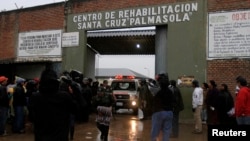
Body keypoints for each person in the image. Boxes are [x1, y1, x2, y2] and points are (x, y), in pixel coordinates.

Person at [29, 68, 76, 141]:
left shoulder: (35, 97)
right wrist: (74, 87)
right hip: (60, 137)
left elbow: (31, 117)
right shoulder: (64, 97)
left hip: (41, 137)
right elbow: (77, 109)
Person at [151, 73, 174, 141]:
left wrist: (154, 83)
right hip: (169, 112)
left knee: (155, 132)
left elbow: (151, 89)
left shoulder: (156, 90)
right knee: (167, 132)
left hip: (158, 112)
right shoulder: (171, 90)